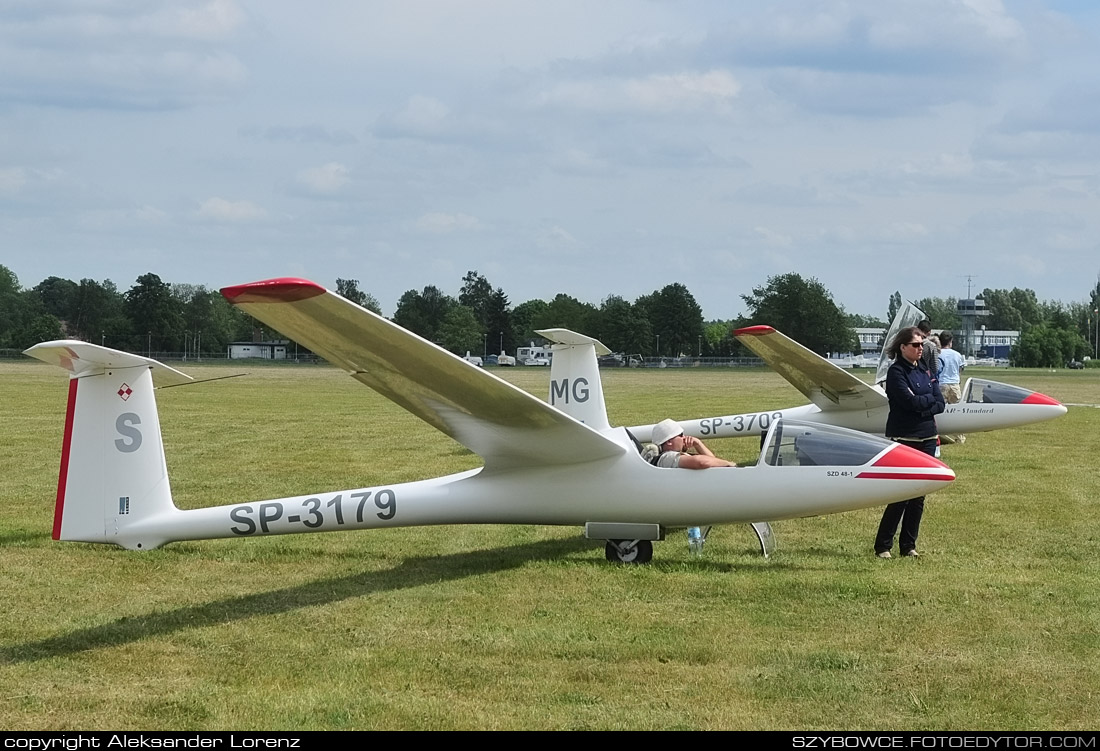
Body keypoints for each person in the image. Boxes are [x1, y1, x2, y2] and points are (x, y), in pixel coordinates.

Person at [874, 326, 944, 559]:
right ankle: (883, 546)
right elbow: (908, 403)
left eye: (922, 345)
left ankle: (908, 546)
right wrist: (925, 402)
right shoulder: (896, 373)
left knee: (919, 495)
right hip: (905, 437)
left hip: (927, 437)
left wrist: (922, 402)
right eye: (915, 345)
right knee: (901, 494)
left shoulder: (924, 369)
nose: (920, 349)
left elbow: (940, 402)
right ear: (902, 347)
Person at [650, 418, 737, 468]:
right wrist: (728, 464)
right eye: (680, 435)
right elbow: (701, 462)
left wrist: (698, 444)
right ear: (669, 441)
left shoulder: (668, 456)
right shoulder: (667, 457)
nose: (684, 437)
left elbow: (713, 461)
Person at [937, 331, 967, 444]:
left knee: (939, 411)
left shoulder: (938, 354)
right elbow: (960, 369)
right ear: (950, 341)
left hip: (941, 384)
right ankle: (960, 437)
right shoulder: (957, 355)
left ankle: (939, 433)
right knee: (957, 412)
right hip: (954, 384)